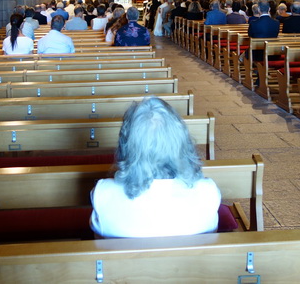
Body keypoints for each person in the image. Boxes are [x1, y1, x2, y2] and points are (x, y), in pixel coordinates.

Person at [90, 96, 221, 238]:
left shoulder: (103, 193)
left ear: (126, 144)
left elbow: (99, 245)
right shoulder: (208, 192)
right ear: (181, 141)